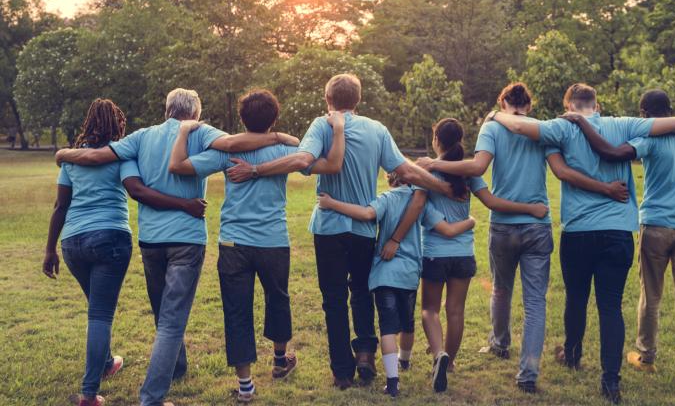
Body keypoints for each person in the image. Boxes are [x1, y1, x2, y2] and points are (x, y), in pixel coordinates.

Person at [55, 88, 296, 406]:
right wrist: (279, 137)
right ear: (195, 112)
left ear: (167, 109)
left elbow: (97, 156)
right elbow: (234, 144)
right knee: (171, 321)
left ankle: (177, 366)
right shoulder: (200, 130)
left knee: (162, 313)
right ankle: (151, 399)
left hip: (151, 240)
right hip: (186, 239)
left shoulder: (142, 136)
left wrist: (64, 154)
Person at [226, 74, 453, 390]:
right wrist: (443, 186)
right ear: (358, 100)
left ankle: (342, 371)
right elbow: (405, 170)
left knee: (334, 298)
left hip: (329, 227)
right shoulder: (377, 130)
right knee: (361, 291)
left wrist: (255, 169)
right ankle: (364, 353)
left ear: (327, 98)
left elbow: (303, 159)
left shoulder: (322, 125)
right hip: (363, 227)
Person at [415, 83, 629, 394]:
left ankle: (500, 343)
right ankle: (528, 372)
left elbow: (477, 167)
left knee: (501, 289)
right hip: (537, 226)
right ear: (529, 105)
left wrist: (432, 164)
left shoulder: (492, 128)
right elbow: (559, 170)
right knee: (534, 301)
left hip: (503, 225)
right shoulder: (541, 130)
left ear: (502, 102)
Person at [489, 83, 675, 403]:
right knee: (610, 305)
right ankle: (610, 380)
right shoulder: (622, 124)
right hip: (618, 232)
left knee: (576, 297)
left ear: (569, 106)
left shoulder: (562, 127)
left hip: (579, 231)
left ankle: (572, 354)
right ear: (596, 105)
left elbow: (517, 124)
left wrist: (494, 114)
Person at [167, 88, 345, 403]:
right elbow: (328, 164)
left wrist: (182, 135)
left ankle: (246, 385)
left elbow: (179, 166)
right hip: (273, 241)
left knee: (237, 310)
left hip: (233, 243)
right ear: (274, 118)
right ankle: (280, 360)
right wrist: (291, 139)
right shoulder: (286, 151)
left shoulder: (227, 151)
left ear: (242, 118)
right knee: (278, 299)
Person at [559, 89, 675, 403]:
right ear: (671, 108)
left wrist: (581, 123)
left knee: (651, 293)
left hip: (656, 225)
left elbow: (610, 152)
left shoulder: (649, 140)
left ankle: (646, 356)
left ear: (644, 113)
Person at [43, 99, 208, 406]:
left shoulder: (71, 159)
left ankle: (106, 363)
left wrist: (50, 249)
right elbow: (137, 190)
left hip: (73, 243)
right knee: (100, 314)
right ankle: (89, 393)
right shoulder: (123, 154)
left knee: (96, 306)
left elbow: (60, 205)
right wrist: (185, 204)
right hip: (109, 239)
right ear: (118, 125)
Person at [414, 117, 552, 393]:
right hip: (463, 254)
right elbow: (491, 202)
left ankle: (439, 353)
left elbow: (408, 188)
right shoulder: (468, 174)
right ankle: (449, 362)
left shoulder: (427, 171)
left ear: (436, 140)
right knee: (455, 311)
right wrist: (530, 208)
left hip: (434, 254)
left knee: (430, 309)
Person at [317, 172, 475, 397]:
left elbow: (366, 213)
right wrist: (471, 221)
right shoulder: (421, 203)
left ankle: (392, 382)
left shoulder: (386, 198)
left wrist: (331, 203)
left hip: (384, 275)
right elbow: (447, 230)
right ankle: (405, 360)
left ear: (391, 180)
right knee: (407, 324)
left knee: (388, 328)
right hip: (409, 276)